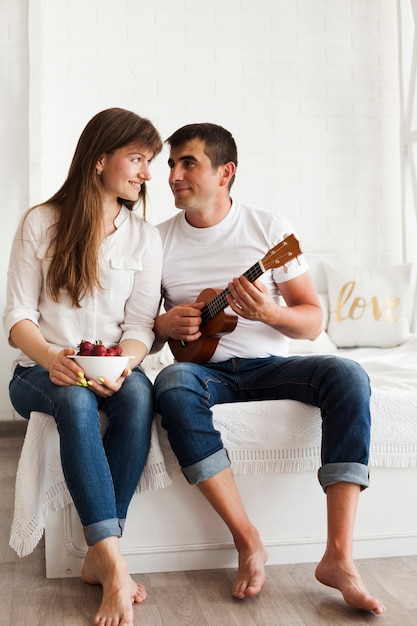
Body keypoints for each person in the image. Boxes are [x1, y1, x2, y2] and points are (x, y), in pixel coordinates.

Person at [152, 122, 386, 615]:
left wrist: (270, 314)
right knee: (172, 381)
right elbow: (144, 331)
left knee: (349, 375)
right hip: (206, 373)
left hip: (273, 367)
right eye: (170, 164)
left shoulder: (270, 231)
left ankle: (339, 556)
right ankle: (247, 539)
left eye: (187, 162)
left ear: (225, 172)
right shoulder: (157, 243)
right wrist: (166, 320)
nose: (173, 174)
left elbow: (312, 318)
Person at [3, 107, 163, 626]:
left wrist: (125, 367)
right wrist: (53, 358)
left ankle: (98, 555)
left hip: (112, 369)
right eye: (138, 158)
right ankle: (114, 564)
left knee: (140, 394)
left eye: (149, 161)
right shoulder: (41, 222)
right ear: (100, 160)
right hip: (39, 371)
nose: (146, 172)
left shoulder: (144, 237)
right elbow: (17, 316)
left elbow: (141, 327)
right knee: (73, 397)